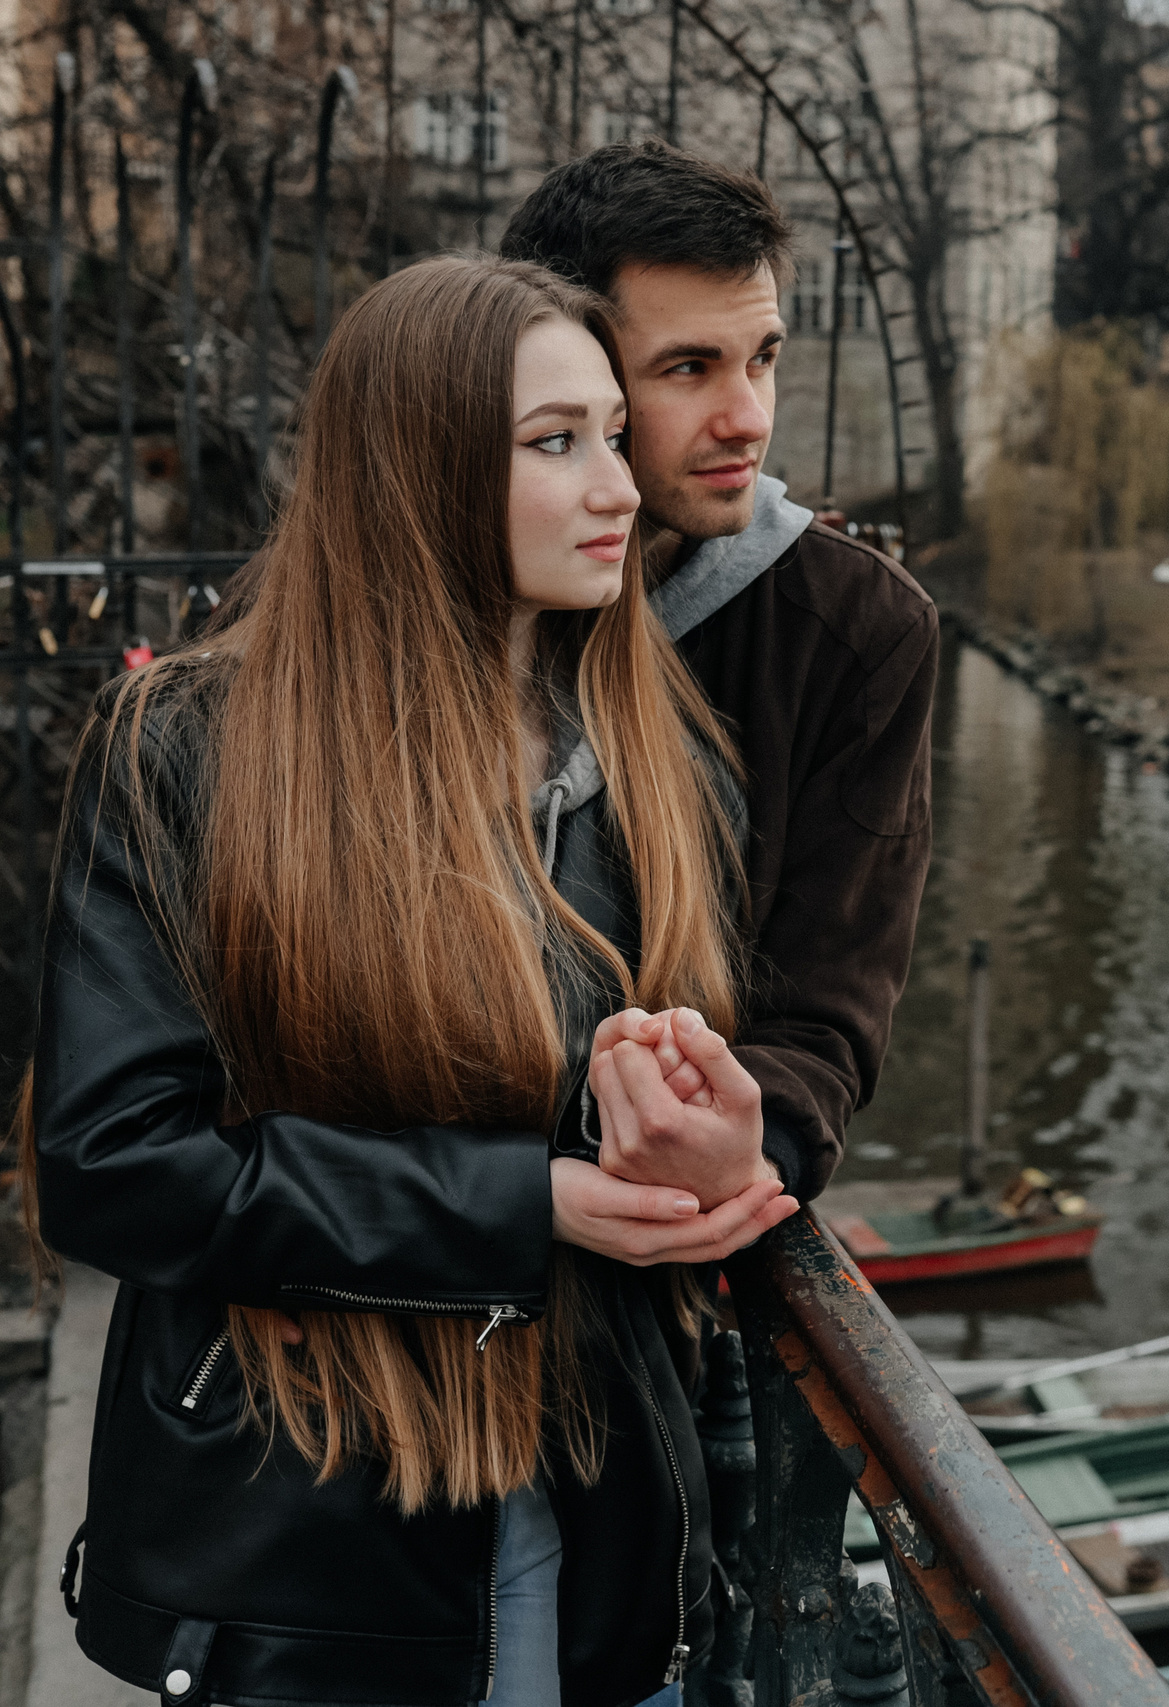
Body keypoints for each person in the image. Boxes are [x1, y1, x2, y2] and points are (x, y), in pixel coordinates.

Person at [26, 255, 796, 1707]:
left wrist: (707, 1146)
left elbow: (671, 1116)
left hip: (605, 1504)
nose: (621, 488)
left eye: (613, 437)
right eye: (554, 443)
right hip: (312, 1524)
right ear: (415, 472)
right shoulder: (187, 749)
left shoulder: (664, 764)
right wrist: (520, 1201)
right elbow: (111, 1163)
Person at [498, 142, 938, 1203]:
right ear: (566, 365)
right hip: (393, 1252)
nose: (748, 417)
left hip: (648, 1261)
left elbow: (824, 1017)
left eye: (764, 358)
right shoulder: (342, 621)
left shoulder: (852, 629)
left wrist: (753, 1147)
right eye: (689, 368)